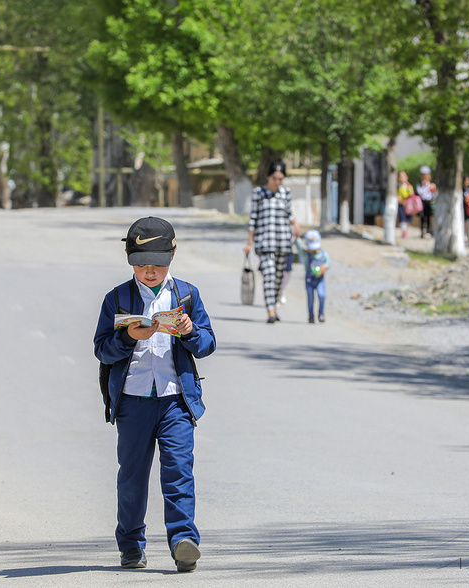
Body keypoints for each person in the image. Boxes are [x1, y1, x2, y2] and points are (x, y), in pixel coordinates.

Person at [93, 216, 216, 573]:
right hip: (132, 403)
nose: (150, 272)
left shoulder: (187, 295)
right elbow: (102, 350)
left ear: (173, 256)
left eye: (158, 265)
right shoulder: (116, 298)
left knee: (179, 471)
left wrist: (190, 331)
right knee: (132, 478)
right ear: (129, 258)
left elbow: (207, 344)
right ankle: (131, 545)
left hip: (176, 401)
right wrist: (129, 337)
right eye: (141, 265)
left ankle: (183, 542)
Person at [244, 160, 300, 324]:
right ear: (269, 177)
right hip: (265, 242)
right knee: (269, 275)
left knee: (278, 278)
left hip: (284, 242)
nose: (277, 182)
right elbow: (253, 219)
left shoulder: (285, 193)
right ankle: (270, 311)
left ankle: (273, 304)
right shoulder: (258, 193)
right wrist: (249, 243)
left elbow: (289, 214)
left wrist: (296, 225)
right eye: (275, 178)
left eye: (281, 179)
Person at [296, 229, 330, 323]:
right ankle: (311, 315)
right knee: (310, 298)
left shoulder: (323, 254)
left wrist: (324, 267)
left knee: (322, 295)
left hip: (320, 279)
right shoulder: (306, 255)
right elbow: (299, 248)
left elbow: (328, 263)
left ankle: (321, 313)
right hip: (309, 280)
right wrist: (296, 238)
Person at [416, 165, 437, 238]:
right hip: (422, 202)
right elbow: (420, 193)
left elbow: (433, 194)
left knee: (428, 217)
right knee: (422, 217)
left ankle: (429, 231)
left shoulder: (431, 185)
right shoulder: (419, 186)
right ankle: (422, 231)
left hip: (429, 202)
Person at [397, 170, 415, 239]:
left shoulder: (408, 186)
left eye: (403, 177)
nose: (402, 178)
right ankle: (404, 231)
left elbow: (411, 194)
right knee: (402, 218)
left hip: (407, 205)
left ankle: (406, 230)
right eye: (400, 177)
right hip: (401, 204)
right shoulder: (399, 186)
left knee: (408, 219)